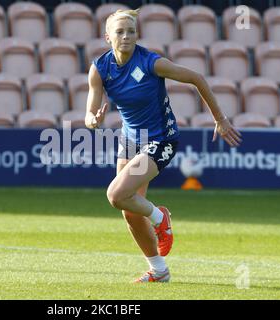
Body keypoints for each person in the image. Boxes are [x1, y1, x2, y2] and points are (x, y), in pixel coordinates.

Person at [85, 9, 242, 283]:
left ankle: (160, 217)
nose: (126, 37)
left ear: (137, 35)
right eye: (119, 32)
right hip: (130, 139)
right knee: (129, 209)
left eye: (131, 31)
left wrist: (220, 119)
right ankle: (159, 271)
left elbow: (197, 78)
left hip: (161, 138)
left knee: (115, 194)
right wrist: (93, 120)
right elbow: (90, 113)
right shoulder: (99, 68)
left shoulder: (150, 62)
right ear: (107, 36)